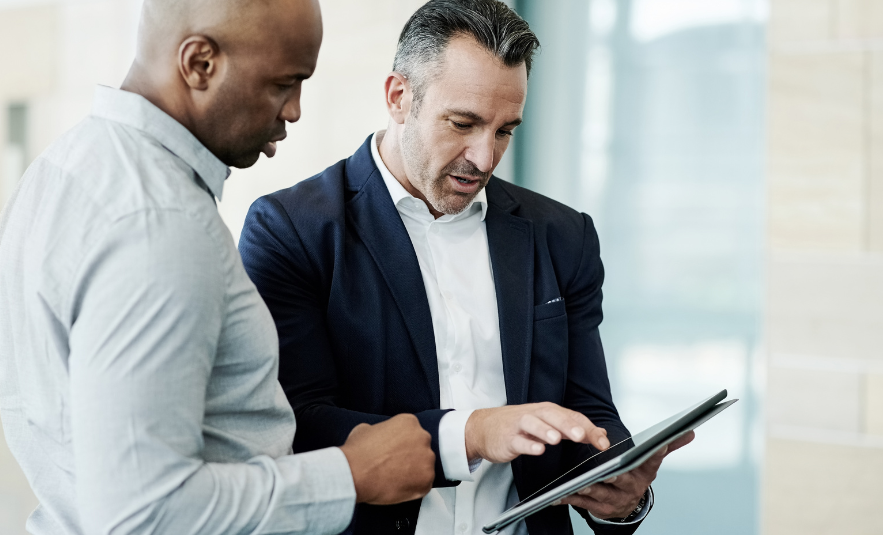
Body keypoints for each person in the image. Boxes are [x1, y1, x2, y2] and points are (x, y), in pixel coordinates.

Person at [238, 1, 694, 534]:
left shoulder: (562, 235)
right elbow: (297, 425)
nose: (484, 158)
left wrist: (621, 491)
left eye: (505, 130)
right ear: (399, 97)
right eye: (464, 123)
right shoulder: (292, 229)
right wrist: (472, 434)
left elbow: (589, 409)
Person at [0, 0, 437, 533]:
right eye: (282, 83)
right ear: (200, 63)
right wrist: (352, 475)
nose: (293, 110)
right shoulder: (160, 224)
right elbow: (143, 512)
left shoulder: (64, 168)